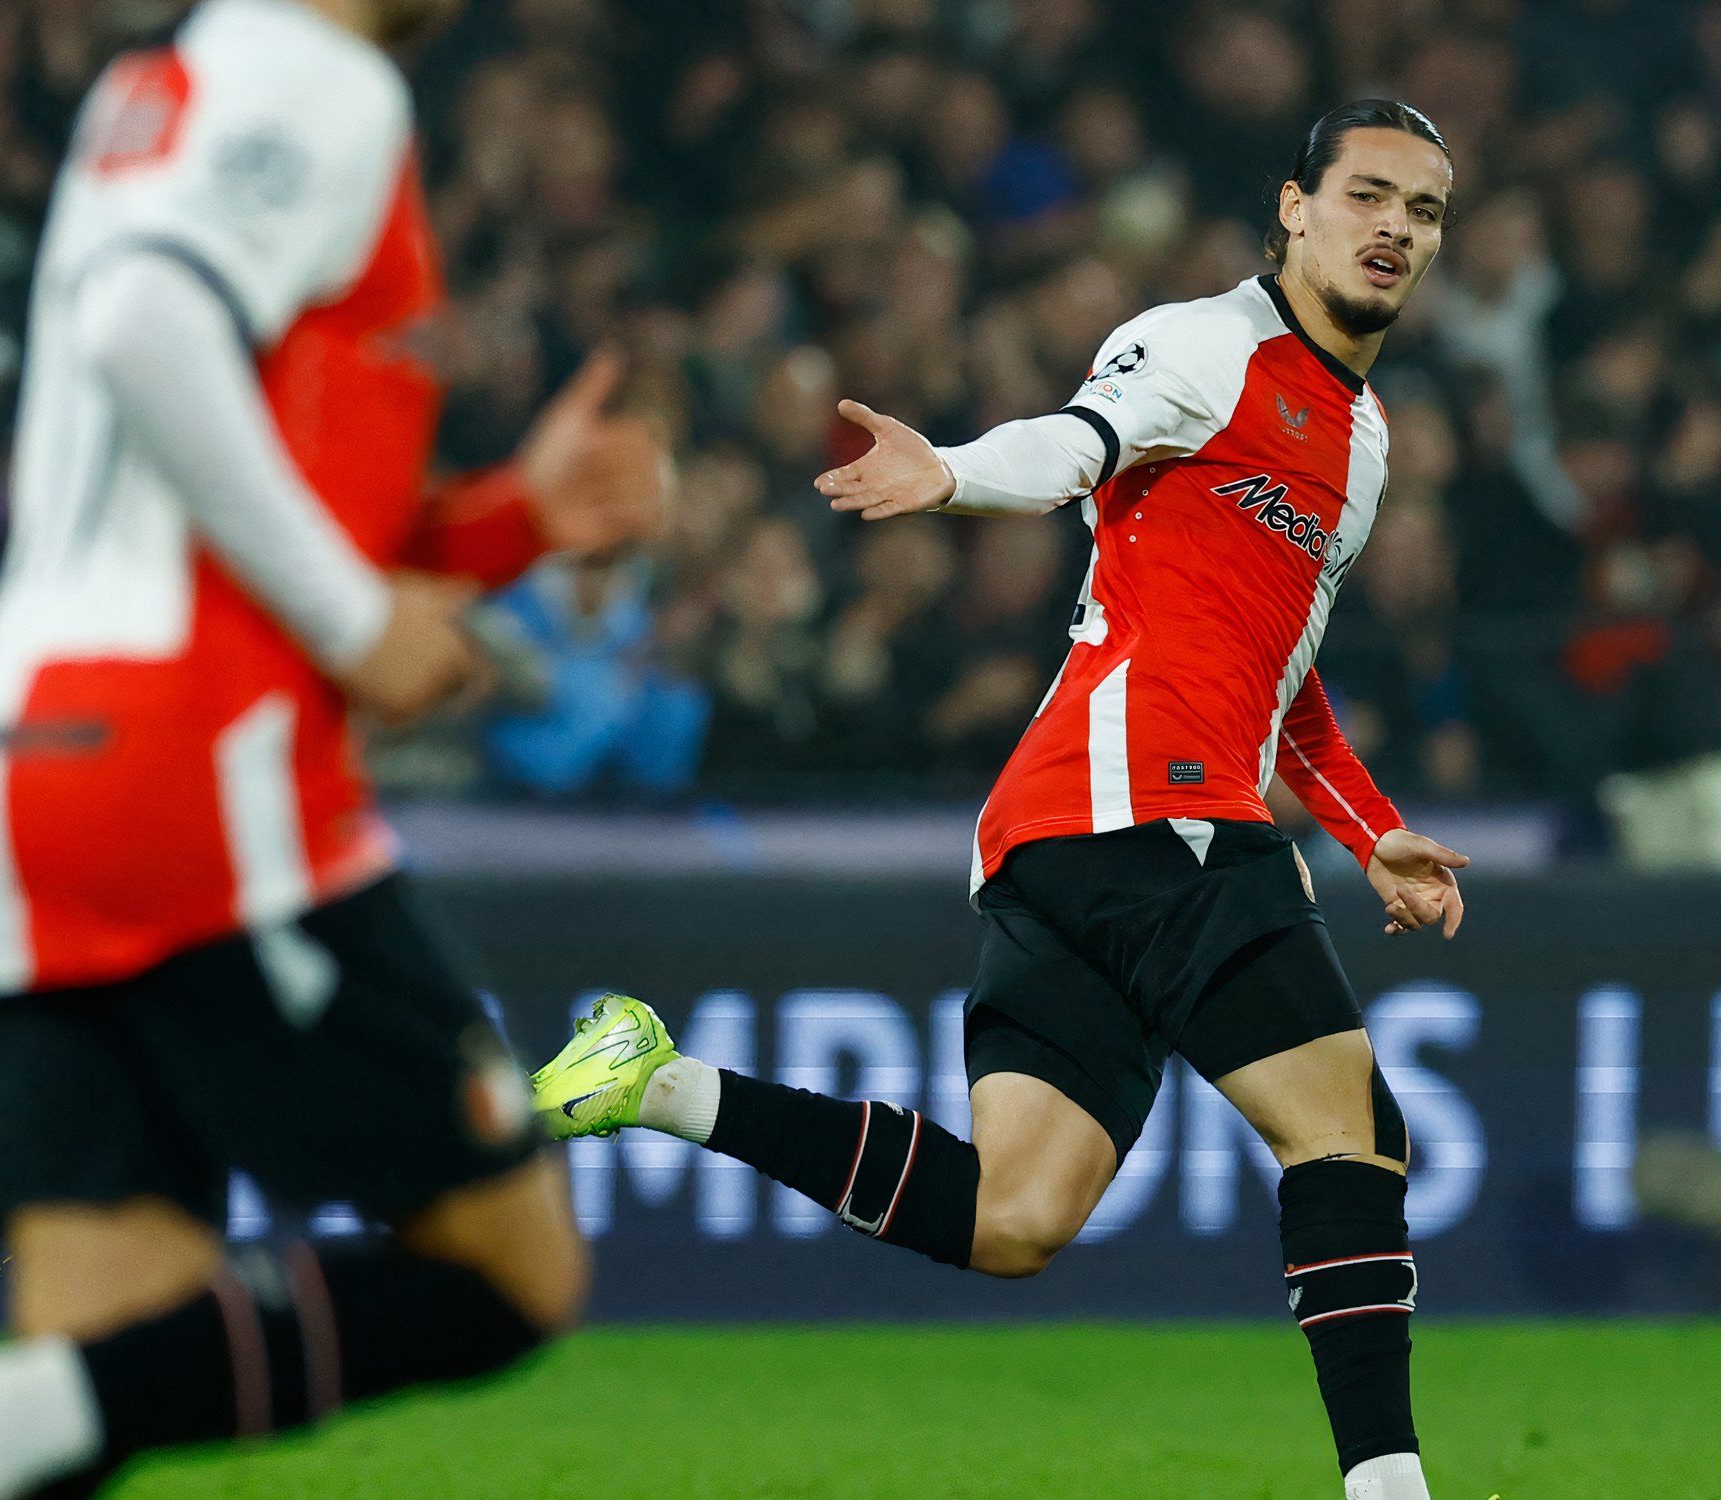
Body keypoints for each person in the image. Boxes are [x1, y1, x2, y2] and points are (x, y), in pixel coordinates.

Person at [532, 99, 1470, 1500]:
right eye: (1367, 194)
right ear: (1293, 207)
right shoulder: (1208, 345)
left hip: (1070, 836)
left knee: (1017, 1215)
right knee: (1347, 1135)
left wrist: (1368, 826)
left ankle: (660, 1085)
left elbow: (1285, 667)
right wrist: (955, 473)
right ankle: (1390, 1492)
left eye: (1425, 208)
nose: (1393, 226)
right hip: (1148, 806)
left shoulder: (1364, 442)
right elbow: (1079, 443)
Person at [0, 1, 668, 1495]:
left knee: (97, 1377)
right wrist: (352, 622)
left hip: (33, 759)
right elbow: (148, 321)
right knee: (509, 1262)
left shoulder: (164, 88)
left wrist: (507, 522)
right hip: (196, 769)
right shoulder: (315, 78)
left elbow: (228, 465)